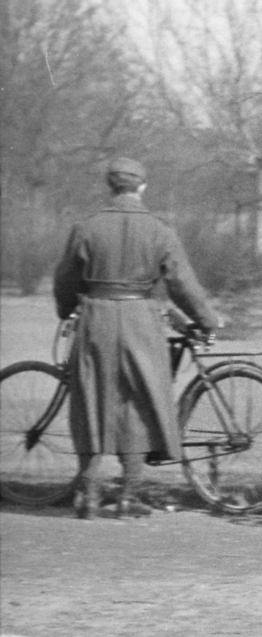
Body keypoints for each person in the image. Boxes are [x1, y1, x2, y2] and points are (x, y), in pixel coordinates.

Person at [52, 157, 220, 519]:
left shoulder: (86, 228)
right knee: (141, 401)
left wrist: (67, 309)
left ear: (110, 186)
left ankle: (89, 493)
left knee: (91, 399)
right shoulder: (160, 231)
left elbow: (65, 280)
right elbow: (182, 283)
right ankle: (129, 494)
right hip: (140, 322)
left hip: (95, 319)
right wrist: (206, 320)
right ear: (142, 187)